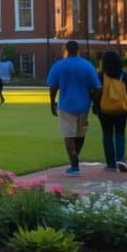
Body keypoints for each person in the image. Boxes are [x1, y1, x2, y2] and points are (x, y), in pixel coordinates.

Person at [47, 40, 102, 177]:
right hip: (84, 105)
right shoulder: (87, 65)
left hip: (65, 104)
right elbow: (97, 87)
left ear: (66, 50)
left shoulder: (59, 65)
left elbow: (53, 87)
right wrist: (95, 103)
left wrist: (52, 102)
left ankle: (74, 163)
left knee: (68, 135)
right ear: (78, 50)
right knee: (80, 134)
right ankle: (75, 158)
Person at [96, 50, 127, 172]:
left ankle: (110, 164)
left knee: (107, 135)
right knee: (120, 134)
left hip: (104, 109)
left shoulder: (100, 75)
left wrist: (95, 106)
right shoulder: (122, 74)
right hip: (121, 108)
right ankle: (120, 158)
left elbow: (96, 92)